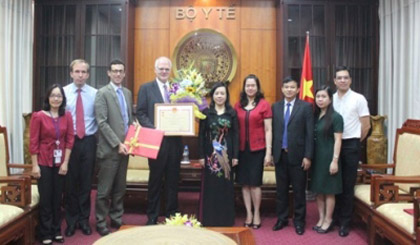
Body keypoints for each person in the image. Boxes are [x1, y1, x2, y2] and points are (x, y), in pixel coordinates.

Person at [136, 56, 183, 225]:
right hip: (155, 143)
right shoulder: (146, 88)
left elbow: (184, 111)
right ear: (155, 70)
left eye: (166, 69)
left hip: (175, 142)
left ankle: (172, 215)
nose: (164, 71)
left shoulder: (178, 89)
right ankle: (152, 216)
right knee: (155, 180)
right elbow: (140, 113)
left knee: (172, 180)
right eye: (161, 69)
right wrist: (154, 129)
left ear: (170, 71)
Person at [30, 84, 74, 245]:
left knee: (58, 199)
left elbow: (70, 140)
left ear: (63, 99)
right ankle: (45, 232)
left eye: (59, 96)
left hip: (60, 162)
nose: (56, 99)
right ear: (48, 98)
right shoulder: (38, 116)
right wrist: (35, 166)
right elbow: (33, 142)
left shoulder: (67, 116)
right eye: (53, 95)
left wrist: (66, 163)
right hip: (43, 162)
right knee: (46, 198)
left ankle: (56, 230)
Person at [95, 59, 133, 236]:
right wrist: (117, 143)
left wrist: (134, 136)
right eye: (115, 71)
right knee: (104, 191)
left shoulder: (127, 93)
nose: (118, 74)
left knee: (120, 189)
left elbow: (128, 120)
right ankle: (101, 222)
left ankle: (117, 219)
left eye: (121, 71)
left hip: (125, 149)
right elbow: (101, 123)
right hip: (110, 150)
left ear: (124, 74)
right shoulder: (102, 93)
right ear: (109, 73)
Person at [271, 76, 314, 235]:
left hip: (298, 156)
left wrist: (308, 156)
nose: (289, 90)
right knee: (281, 191)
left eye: (292, 87)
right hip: (280, 155)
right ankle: (281, 219)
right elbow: (273, 131)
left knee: (298, 191)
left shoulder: (305, 107)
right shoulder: (275, 107)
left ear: (297, 90)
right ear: (282, 89)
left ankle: (299, 221)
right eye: (286, 87)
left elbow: (310, 134)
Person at [332, 66, 370, 237]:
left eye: (346, 77)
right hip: (332, 146)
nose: (342, 80)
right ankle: (334, 217)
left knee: (347, 185)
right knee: (334, 183)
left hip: (350, 145)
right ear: (334, 81)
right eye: (339, 78)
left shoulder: (358, 99)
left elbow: (366, 125)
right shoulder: (330, 98)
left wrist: (354, 142)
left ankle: (345, 222)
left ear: (350, 80)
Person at [63, 59, 97, 237]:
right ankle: (71, 220)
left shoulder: (95, 93)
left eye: (84, 72)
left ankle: (84, 220)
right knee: (70, 184)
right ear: (71, 73)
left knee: (85, 183)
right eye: (77, 71)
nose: (80, 75)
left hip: (89, 141)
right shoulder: (62, 92)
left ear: (88, 74)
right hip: (69, 143)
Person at [234, 74, 272, 229]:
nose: (250, 88)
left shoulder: (264, 104)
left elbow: (268, 130)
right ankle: (248, 213)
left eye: (253, 85)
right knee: (244, 184)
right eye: (247, 85)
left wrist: (268, 152)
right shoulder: (238, 105)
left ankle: (257, 213)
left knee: (255, 184)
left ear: (257, 87)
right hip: (241, 150)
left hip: (258, 149)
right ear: (244, 87)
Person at [198, 82, 239, 226]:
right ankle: (209, 218)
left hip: (227, 156)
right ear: (212, 95)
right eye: (217, 93)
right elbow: (201, 135)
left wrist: (235, 156)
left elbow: (235, 135)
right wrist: (201, 156)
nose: (219, 96)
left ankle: (225, 219)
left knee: (226, 186)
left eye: (222, 93)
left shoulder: (232, 113)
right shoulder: (206, 113)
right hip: (210, 155)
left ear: (226, 95)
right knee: (211, 186)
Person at [309, 86, 344, 234]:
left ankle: (328, 219)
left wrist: (334, 160)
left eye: (323, 97)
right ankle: (321, 217)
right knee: (319, 190)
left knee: (329, 191)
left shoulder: (336, 117)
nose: (320, 99)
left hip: (329, 158)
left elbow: (338, 140)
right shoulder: (315, 116)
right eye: (318, 97)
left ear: (330, 99)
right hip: (317, 158)